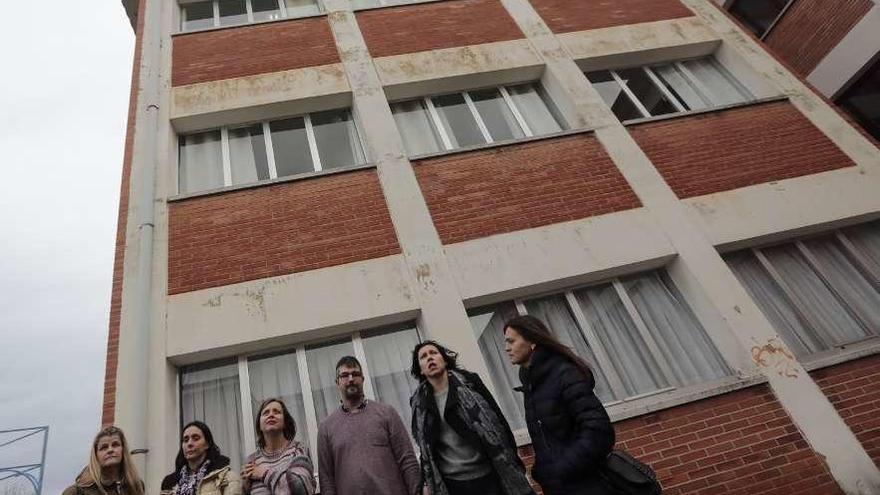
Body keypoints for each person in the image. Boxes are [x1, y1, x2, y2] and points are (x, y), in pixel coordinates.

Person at [503, 315, 615, 495]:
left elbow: (599, 430)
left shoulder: (564, 374)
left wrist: (562, 469)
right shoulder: (532, 382)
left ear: (532, 342)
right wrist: (541, 470)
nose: (506, 348)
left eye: (511, 341)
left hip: (587, 485)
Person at [409, 341, 534, 495]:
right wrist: (426, 482)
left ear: (444, 360)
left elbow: (499, 422)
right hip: (454, 484)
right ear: (420, 369)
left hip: (489, 475)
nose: (429, 358)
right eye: (423, 356)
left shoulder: (469, 382)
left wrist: (513, 462)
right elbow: (425, 447)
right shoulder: (419, 403)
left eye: (434, 353)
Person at [317, 355, 420, 495]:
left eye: (356, 374)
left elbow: (407, 460)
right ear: (337, 382)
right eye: (345, 375)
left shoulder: (386, 413)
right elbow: (326, 479)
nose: (351, 379)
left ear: (363, 379)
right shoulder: (326, 427)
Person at [241, 398, 315, 495]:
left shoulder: (298, 450)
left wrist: (264, 474)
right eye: (266, 413)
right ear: (259, 425)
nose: (271, 415)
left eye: (276, 412)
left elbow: (302, 490)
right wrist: (244, 487)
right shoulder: (251, 461)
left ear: (285, 422)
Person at [160, 421, 241, 495]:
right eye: (185, 440)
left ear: (207, 444)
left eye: (195, 438)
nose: (189, 443)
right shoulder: (170, 482)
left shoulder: (226, 477)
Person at [62, 426, 145, 495]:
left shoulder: (136, 486)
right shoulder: (77, 492)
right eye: (104, 447)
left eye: (115, 445)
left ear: (123, 450)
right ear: (96, 455)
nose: (110, 450)